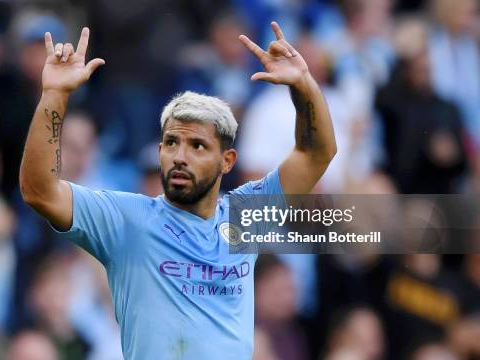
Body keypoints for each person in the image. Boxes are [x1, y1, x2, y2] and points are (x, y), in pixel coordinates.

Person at [19, 21, 336, 358]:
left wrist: (303, 85)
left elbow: (317, 153)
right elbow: (40, 191)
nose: (180, 157)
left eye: (198, 146)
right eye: (171, 142)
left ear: (227, 161)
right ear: (159, 152)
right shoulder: (126, 220)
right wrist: (54, 96)